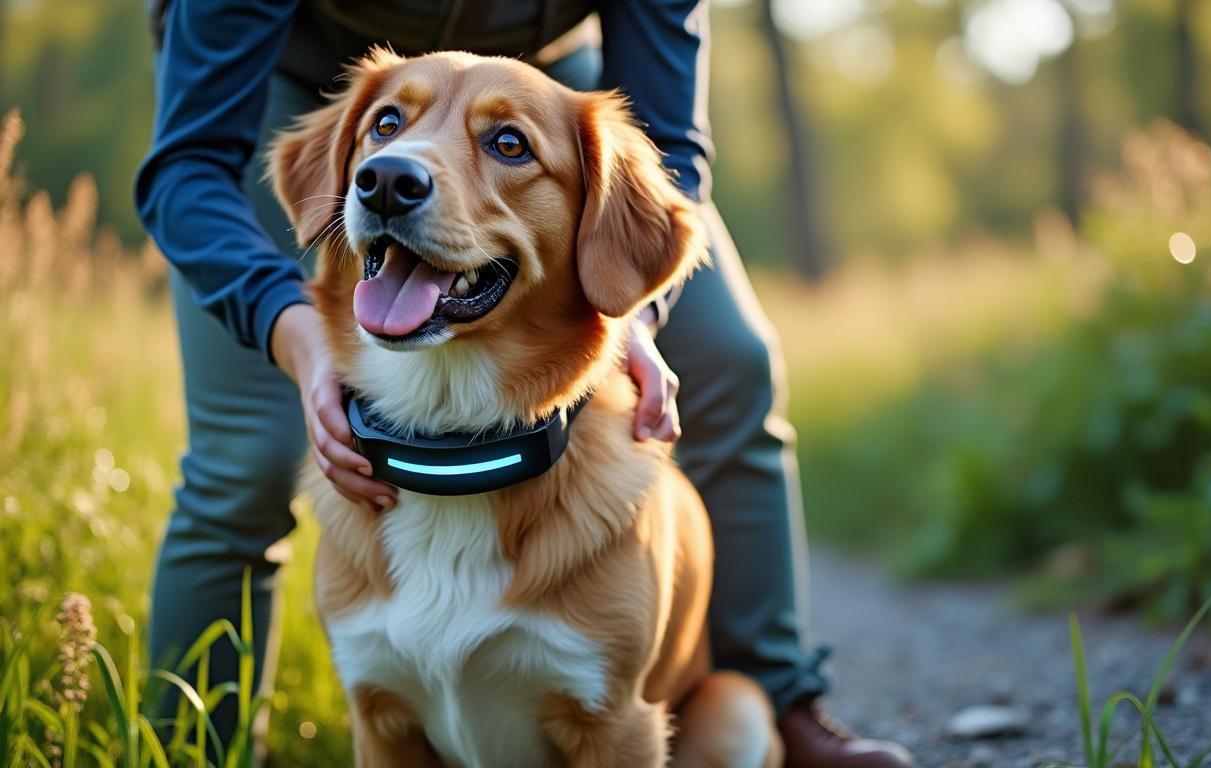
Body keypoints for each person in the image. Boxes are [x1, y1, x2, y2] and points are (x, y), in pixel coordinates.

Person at [135, 2, 915, 766]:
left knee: (732, 358)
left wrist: (637, 312)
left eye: (506, 147)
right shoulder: (375, 155)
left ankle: (780, 704)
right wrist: (289, 326)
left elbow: (667, 138)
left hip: (549, 79)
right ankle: (184, 751)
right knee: (245, 456)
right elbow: (187, 165)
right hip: (283, 76)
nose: (401, 172)